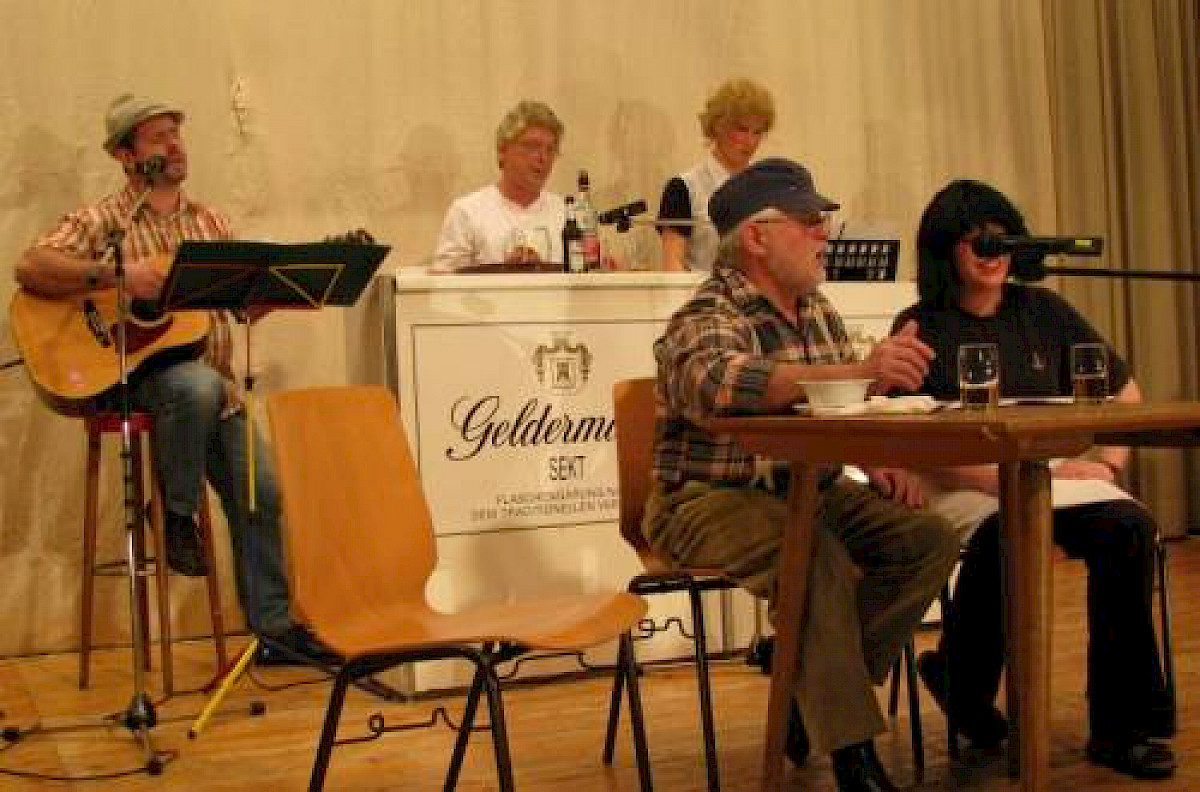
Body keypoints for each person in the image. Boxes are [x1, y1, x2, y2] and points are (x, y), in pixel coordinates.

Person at [643, 157, 960, 792]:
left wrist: (875, 458)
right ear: (757, 236)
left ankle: (803, 691)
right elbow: (722, 383)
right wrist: (859, 371)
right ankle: (852, 754)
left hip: (810, 487)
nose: (825, 233)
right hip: (705, 499)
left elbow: (838, 407)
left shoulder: (817, 310)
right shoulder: (706, 314)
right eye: (809, 220)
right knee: (813, 557)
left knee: (929, 539)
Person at [15, 93, 338, 667]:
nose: (175, 145)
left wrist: (271, 294)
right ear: (125, 155)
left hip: (213, 387)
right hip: (135, 380)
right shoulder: (102, 221)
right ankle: (176, 513)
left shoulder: (209, 223)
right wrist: (117, 274)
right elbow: (30, 267)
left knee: (262, 490)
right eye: (159, 136)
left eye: (177, 133)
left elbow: (236, 308)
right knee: (193, 386)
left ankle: (273, 631)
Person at [892, 178, 1176, 779]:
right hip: (968, 484)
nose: (992, 252)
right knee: (1007, 531)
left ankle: (1122, 727)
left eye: (1002, 238)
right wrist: (1010, 479)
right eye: (977, 240)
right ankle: (966, 683)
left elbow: (1126, 393)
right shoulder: (922, 326)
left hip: (1057, 481)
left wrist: (1109, 464)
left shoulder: (1045, 312)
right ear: (946, 250)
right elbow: (915, 441)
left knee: (1128, 527)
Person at [431, 100, 565, 272]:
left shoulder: (567, 214)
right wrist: (502, 273)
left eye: (550, 150)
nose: (543, 157)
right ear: (502, 151)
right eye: (532, 146)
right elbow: (445, 280)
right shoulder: (467, 212)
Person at [656, 77, 774, 272]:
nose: (750, 141)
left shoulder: (767, 188)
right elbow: (672, 265)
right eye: (742, 129)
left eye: (758, 132)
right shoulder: (683, 188)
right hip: (704, 290)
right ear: (718, 127)